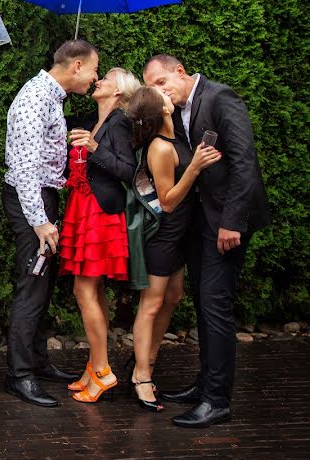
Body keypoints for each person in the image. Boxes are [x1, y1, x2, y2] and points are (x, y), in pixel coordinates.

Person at [143, 55, 269, 427]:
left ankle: (217, 400)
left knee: (216, 307)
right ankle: (205, 384)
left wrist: (233, 222)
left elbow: (244, 161)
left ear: (181, 72)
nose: (161, 91)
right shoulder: (182, 107)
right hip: (201, 223)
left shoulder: (220, 97)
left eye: (164, 82)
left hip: (226, 224)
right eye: (154, 87)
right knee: (204, 304)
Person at [2, 40, 99, 408]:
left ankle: (38, 362)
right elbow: (24, 169)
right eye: (92, 69)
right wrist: (40, 222)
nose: (95, 77)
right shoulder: (35, 98)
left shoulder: (53, 96)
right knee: (32, 284)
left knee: (42, 286)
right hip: (32, 201)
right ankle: (19, 375)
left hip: (44, 196)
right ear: (76, 65)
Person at [126, 86, 221, 412]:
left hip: (180, 237)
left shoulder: (175, 135)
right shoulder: (161, 148)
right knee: (150, 305)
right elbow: (166, 202)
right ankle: (141, 375)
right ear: (162, 110)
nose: (168, 94)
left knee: (173, 297)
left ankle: (148, 359)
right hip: (164, 237)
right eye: (162, 94)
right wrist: (194, 167)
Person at [60, 68, 138, 403]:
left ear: (118, 92)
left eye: (106, 79)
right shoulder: (97, 119)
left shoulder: (119, 122)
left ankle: (104, 370)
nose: (98, 81)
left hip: (100, 212)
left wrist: (94, 148)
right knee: (96, 290)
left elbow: (128, 170)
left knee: (83, 288)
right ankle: (93, 366)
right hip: (84, 206)